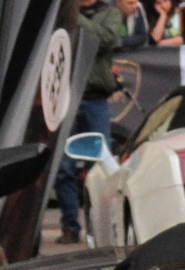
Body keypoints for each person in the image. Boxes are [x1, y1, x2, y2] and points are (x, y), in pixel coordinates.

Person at [55, 0, 126, 244]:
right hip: (65, 98)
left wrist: (75, 16)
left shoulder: (110, 13)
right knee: (63, 166)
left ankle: (105, 223)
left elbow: (103, 40)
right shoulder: (60, 13)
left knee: (101, 164)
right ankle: (70, 226)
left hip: (95, 98)